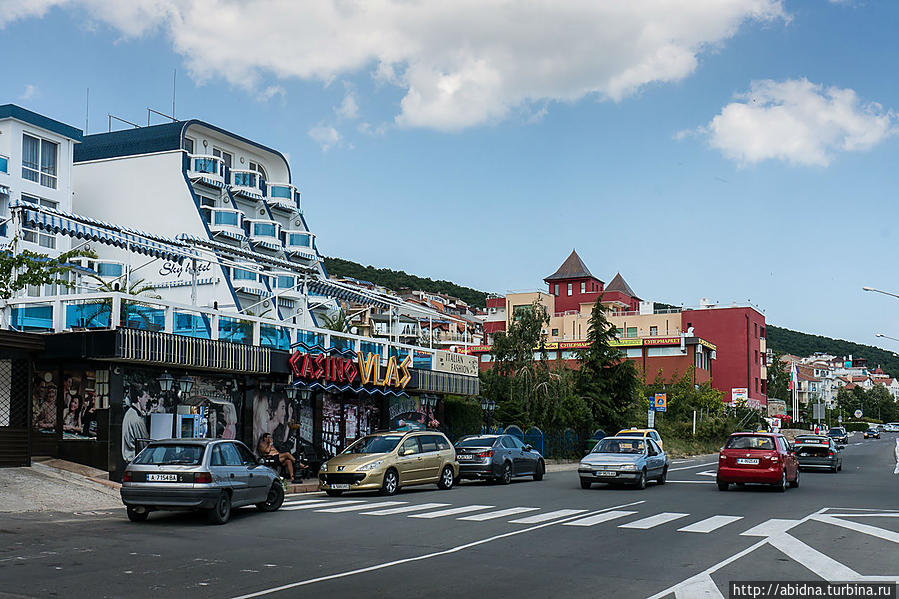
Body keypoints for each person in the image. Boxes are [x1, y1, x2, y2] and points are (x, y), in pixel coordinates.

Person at [122, 384, 151, 462]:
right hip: (136, 461)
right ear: (138, 398)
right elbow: (144, 445)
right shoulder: (136, 419)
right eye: (145, 397)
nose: (147, 400)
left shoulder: (130, 413)